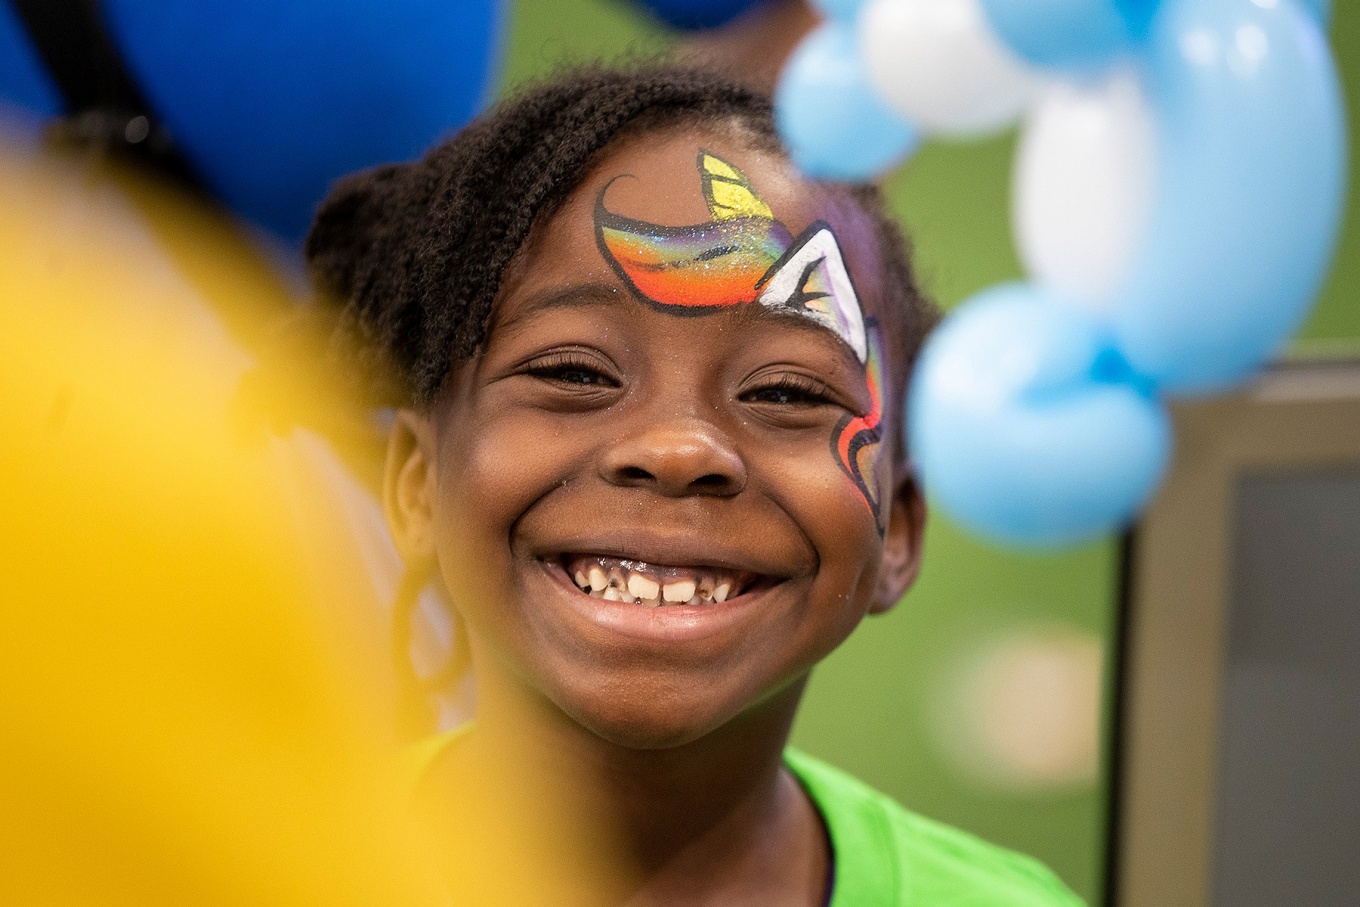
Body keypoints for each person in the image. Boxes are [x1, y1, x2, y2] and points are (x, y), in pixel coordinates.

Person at [305, 64, 1084, 907]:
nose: (678, 448)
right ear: (418, 485)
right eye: (573, 372)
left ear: (897, 525)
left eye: (786, 392)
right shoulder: (217, 862)